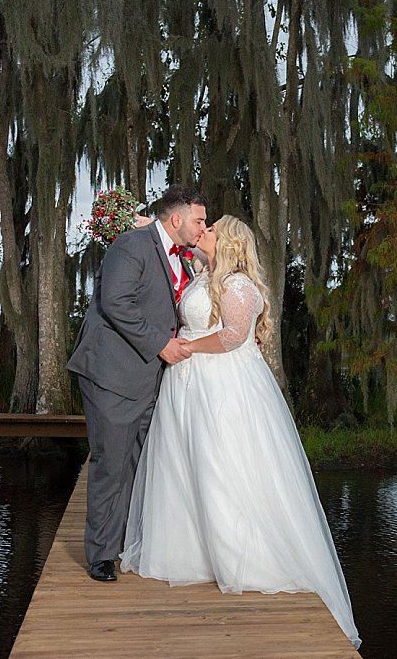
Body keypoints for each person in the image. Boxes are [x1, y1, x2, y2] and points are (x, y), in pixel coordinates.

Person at [119, 215, 360, 648]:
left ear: (227, 242)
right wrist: (144, 222)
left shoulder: (238, 286)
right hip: (186, 385)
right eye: (201, 226)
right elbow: (170, 239)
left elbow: (231, 337)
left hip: (221, 385)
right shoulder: (203, 273)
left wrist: (187, 347)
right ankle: (192, 550)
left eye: (209, 229)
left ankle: (240, 556)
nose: (202, 232)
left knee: (220, 465)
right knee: (183, 465)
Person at [67, 185, 207, 582]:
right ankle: (101, 555)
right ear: (176, 219)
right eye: (198, 220)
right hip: (113, 374)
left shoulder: (180, 254)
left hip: (150, 379)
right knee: (112, 464)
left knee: (139, 464)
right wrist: (161, 344)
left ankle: (129, 542)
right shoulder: (132, 246)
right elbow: (116, 302)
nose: (203, 227)